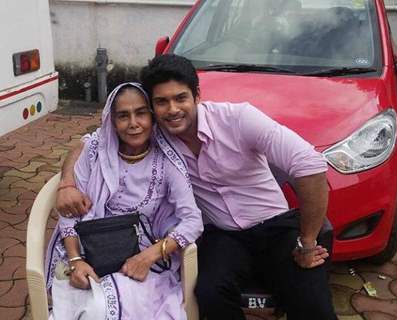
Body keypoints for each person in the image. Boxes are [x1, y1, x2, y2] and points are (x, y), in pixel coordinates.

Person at [56, 54, 337, 320]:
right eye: (162, 102)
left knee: (312, 301)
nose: (173, 109)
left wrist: (308, 241)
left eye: (180, 98)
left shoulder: (239, 119)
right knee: (210, 293)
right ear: (154, 108)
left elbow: (309, 164)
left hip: (276, 226)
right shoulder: (155, 136)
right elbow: (89, 142)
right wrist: (67, 183)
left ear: (197, 96)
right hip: (224, 236)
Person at [46, 82, 203, 320]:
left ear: (152, 116)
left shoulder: (167, 159)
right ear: (112, 121)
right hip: (89, 250)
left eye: (141, 113)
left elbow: (192, 220)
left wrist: (148, 257)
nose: (133, 124)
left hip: (144, 256)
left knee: (115, 306)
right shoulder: (96, 151)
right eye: (123, 116)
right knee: (93, 306)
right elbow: (71, 211)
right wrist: (75, 259)